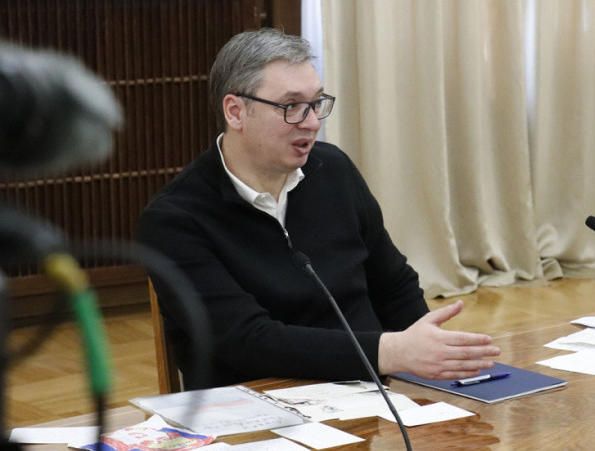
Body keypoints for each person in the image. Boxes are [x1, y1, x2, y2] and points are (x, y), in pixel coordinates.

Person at [138, 27, 499, 389]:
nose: (312, 122)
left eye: (315, 104)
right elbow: (247, 340)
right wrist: (390, 351)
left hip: (371, 394)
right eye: (291, 107)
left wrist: (434, 359)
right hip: (256, 408)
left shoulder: (333, 170)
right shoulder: (174, 220)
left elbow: (393, 285)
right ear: (235, 112)